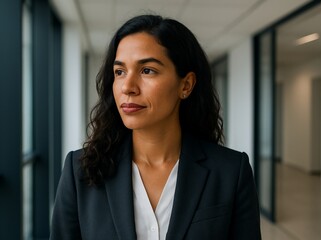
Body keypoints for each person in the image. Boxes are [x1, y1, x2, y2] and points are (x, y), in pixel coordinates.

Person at [50, 14, 261, 240]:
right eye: (120, 72)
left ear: (186, 85)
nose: (127, 87)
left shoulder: (230, 172)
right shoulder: (81, 171)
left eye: (147, 70)